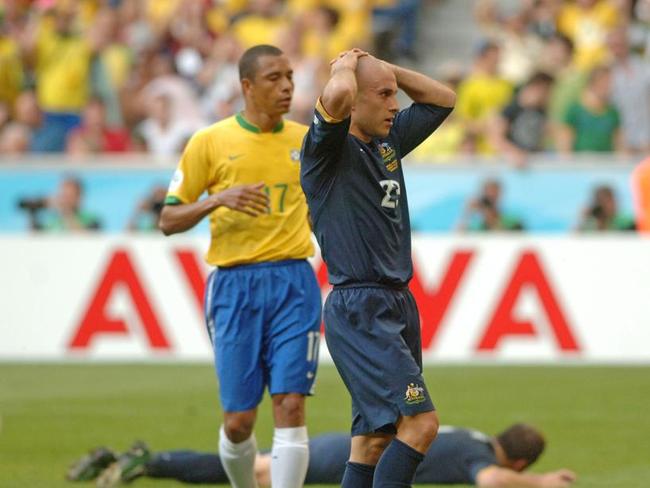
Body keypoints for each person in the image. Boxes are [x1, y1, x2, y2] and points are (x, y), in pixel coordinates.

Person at [158, 44, 321, 488]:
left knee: (290, 405)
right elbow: (169, 219)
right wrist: (217, 199)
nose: (287, 86)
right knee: (239, 422)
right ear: (246, 86)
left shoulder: (307, 140)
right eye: (274, 77)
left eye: (290, 76)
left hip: (294, 282)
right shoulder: (209, 142)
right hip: (234, 286)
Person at [300, 49, 455, 487]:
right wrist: (345, 66)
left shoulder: (388, 142)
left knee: (372, 442)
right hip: (360, 307)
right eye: (384, 95)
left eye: (394, 95)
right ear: (355, 102)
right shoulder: (326, 150)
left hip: (395, 304)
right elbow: (338, 92)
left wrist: (386, 69)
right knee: (421, 425)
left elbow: (443, 99)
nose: (395, 104)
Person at [67, 424, 577, 488]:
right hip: (346, 458)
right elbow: (490, 483)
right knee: (253, 474)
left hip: (343, 446)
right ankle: (150, 461)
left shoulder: (466, 435)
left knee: (252, 469)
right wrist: (547, 483)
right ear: (520, 463)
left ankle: (143, 458)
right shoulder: (474, 453)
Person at [16, 176, 102, 232]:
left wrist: (65, 212)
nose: (65, 200)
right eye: (63, 195)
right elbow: (33, 240)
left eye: (69, 196)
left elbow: (86, 240)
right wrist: (32, 213)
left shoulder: (91, 219)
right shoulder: (51, 221)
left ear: (79, 197)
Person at [457, 179, 525, 232]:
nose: (491, 197)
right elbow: (456, 240)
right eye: (488, 193)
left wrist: (489, 216)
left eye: (494, 193)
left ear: (500, 194)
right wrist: (467, 214)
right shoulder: (476, 226)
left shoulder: (513, 221)